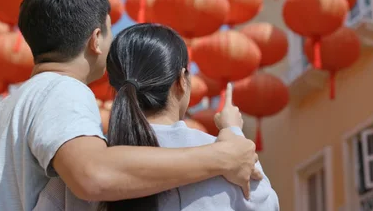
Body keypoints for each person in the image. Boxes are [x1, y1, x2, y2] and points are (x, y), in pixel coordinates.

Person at [0, 0, 261, 211]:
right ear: (96, 39)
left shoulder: (2, 112)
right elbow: (92, 175)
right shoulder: (62, 90)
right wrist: (224, 154)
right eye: (109, 31)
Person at [95, 23, 279, 211]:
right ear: (182, 80)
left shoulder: (88, 164)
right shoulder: (228, 156)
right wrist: (233, 133)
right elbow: (266, 204)